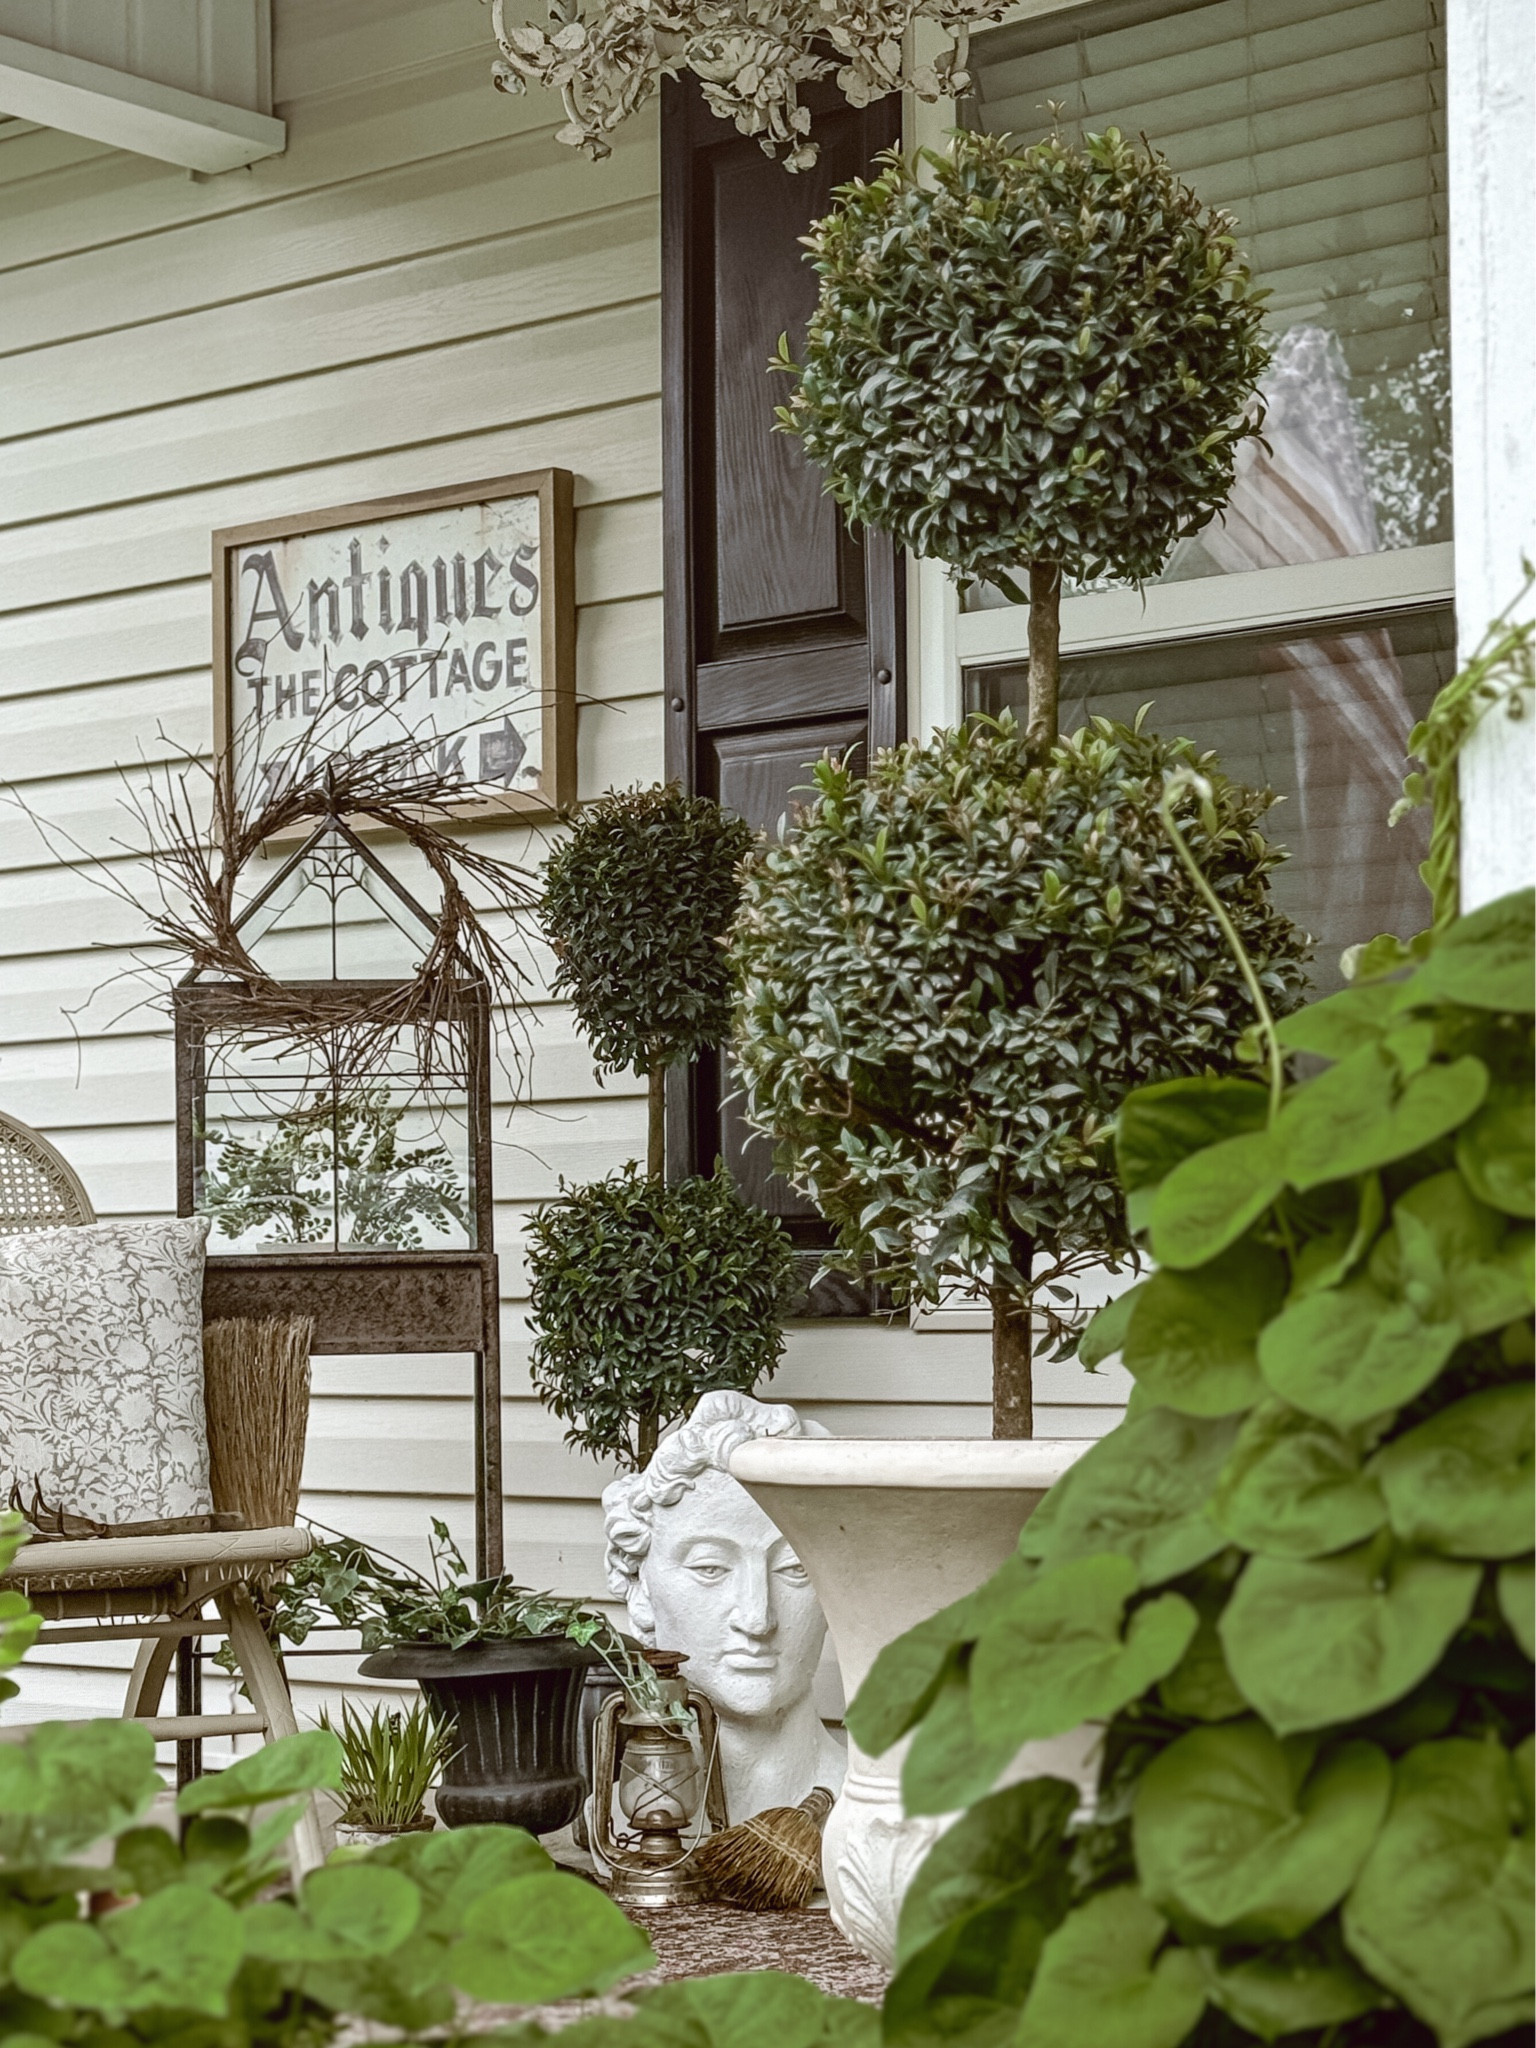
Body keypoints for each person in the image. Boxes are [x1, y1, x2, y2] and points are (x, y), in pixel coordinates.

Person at [603, 1389, 846, 1823]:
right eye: (710, 1567)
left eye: (794, 1570)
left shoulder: (870, 1819)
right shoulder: (620, 1818)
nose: (757, 1618)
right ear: (640, 1588)